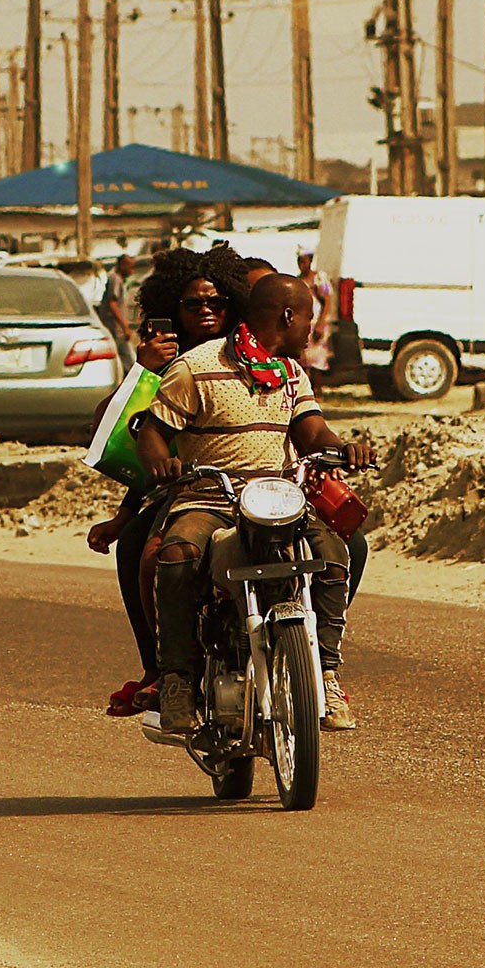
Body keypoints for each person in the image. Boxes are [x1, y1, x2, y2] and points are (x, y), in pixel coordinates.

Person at [136, 270, 372, 734]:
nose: (311, 330)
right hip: (211, 498)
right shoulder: (195, 368)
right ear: (287, 317)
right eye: (307, 319)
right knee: (176, 552)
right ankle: (177, 678)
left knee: (333, 552)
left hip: (278, 499)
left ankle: (325, 671)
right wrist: (162, 462)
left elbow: (312, 431)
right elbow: (151, 433)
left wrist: (343, 447)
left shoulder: (290, 372)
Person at [85, 244, 247, 717]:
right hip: (186, 486)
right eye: (192, 304)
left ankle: (317, 665)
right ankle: (161, 668)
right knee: (138, 549)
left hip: (254, 483)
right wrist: (142, 370)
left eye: (216, 303)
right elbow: (128, 436)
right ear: (170, 308)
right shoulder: (163, 363)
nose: (205, 312)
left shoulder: (249, 355)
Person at [294, 246, 335, 374]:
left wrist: (321, 324)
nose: (302, 265)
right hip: (304, 325)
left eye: (304, 261)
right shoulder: (298, 279)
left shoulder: (318, 278)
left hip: (317, 323)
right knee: (303, 361)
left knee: (317, 363)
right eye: (300, 261)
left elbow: (327, 301)